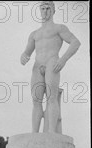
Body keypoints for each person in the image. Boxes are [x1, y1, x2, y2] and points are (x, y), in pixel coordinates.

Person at [20, 1, 81, 133]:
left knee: (51, 98)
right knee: (36, 101)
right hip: (37, 65)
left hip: (52, 62)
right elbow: (27, 52)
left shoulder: (59, 28)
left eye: (48, 8)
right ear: (39, 10)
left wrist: (63, 59)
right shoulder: (34, 34)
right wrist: (23, 56)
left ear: (53, 10)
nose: (45, 11)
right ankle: (34, 133)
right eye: (43, 8)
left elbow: (75, 42)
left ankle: (52, 132)